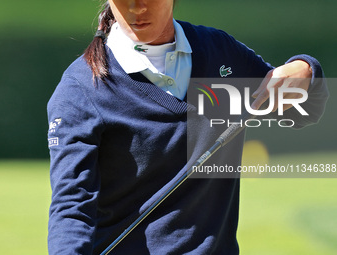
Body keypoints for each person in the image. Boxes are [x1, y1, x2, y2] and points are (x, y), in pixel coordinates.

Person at [47, 0, 328, 254]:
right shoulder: (80, 89)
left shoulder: (220, 52)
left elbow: (304, 112)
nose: (136, 6)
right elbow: (72, 207)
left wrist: (304, 68)